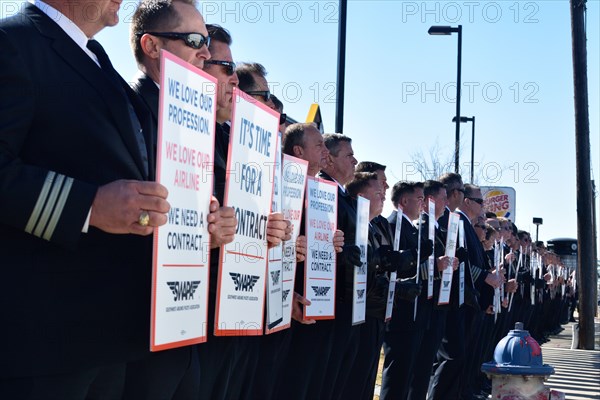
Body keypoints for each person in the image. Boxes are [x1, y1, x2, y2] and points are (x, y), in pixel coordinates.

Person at [0, 0, 168, 398]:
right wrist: (88, 206)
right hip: (42, 341)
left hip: (108, 335)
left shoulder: (94, 58)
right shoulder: (13, 42)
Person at [125, 2, 237, 398]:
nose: (205, 53)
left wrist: (212, 229)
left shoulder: (194, 123)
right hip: (136, 325)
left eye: (207, 43)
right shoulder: (127, 108)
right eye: (195, 41)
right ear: (152, 46)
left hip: (186, 320)